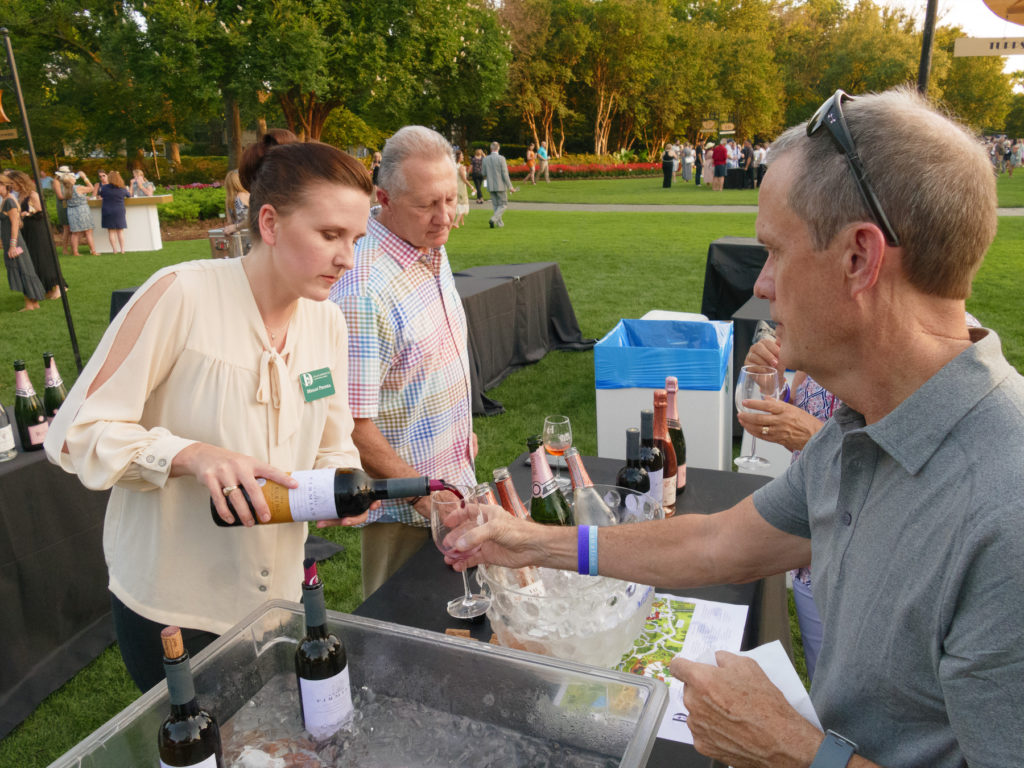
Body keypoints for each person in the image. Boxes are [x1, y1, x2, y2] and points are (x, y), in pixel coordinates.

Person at [448, 88, 1024, 768]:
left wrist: (796, 752)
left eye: (774, 253)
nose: (766, 286)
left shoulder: (1005, 509)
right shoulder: (863, 423)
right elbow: (722, 542)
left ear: (859, 259)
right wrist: (530, 542)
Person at [43, 134, 373, 691]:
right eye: (330, 234)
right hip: (175, 613)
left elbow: (333, 437)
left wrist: (340, 479)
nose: (347, 256)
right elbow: (75, 432)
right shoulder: (179, 294)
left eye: (356, 238)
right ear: (269, 224)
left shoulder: (327, 323)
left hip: (281, 603)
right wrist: (188, 454)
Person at [330, 125, 477, 599]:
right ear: (384, 199)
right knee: (403, 638)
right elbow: (353, 424)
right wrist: (421, 497)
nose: (445, 218)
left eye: (451, 199)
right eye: (427, 205)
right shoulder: (363, 289)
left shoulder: (430, 247)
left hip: (453, 486)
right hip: (405, 515)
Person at [9, 170, 64, 300]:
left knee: (43, 257)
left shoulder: (33, 195)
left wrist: (26, 214)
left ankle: (58, 286)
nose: (12, 186)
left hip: (38, 230)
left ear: (20, 181)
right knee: (34, 259)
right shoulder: (19, 196)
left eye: (13, 183)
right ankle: (46, 287)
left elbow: (41, 213)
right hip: (27, 230)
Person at [0, 172, 45, 311]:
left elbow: (14, 224)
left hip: (14, 241)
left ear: (4, 185)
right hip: (10, 240)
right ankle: (33, 303)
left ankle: (30, 304)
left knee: (23, 270)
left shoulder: (9, 201)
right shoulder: (7, 200)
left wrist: (12, 245)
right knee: (23, 269)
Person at [63, 170, 98, 256]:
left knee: (75, 233)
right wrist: (84, 177)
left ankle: (75, 251)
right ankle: (93, 251)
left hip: (71, 211)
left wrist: (84, 197)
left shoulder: (66, 190)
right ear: (71, 180)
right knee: (88, 232)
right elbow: (91, 188)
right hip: (82, 211)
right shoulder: (78, 188)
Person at [481, 141, 515, 228]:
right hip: (500, 185)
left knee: (496, 205)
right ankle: (494, 219)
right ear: (498, 148)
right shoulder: (501, 159)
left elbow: (483, 173)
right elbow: (505, 174)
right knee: (503, 204)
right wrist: (510, 186)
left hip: (491, 185)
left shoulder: (485, 159)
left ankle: (499, 223)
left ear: (491, 148)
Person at [95, 170, 129, 254]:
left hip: (107, 210)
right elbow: (129, 195)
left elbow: (101, 195)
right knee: (120, 231)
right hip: (119, 210)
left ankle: (114, 250)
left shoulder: (104, 188)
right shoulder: (122, 188)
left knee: (111, 231)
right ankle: (122, 250)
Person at [223, 168, 252, 255]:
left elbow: (230, 222)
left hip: (238, 241)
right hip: (252, 239)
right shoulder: (245, 196)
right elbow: (253, 219)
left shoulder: (229, 200)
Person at [53, 165, 73, 255]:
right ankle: (64, 249)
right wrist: (71, 197)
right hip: (63, 205)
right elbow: (60, 196)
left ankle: (73, 248)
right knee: (66, 228)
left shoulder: (69, 180)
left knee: (73, 228)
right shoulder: (56, 182)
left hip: (71, 205)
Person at [452, 149, 475, 228]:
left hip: (454, 186)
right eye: (461, 156)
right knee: (463, 203)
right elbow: (464, 179)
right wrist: (472, 187)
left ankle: (461, 220)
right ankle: (456, 223)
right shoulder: (460, 167)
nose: (463, 157)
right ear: (458, 157)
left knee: (457, 203)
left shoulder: (452, 165)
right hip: (460, 187)